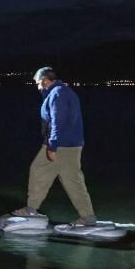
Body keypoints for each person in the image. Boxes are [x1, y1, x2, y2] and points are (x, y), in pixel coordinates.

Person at [11, 67, 96, 226]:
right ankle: (86, 216)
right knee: (49, 173)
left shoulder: (58, 94)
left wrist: (53, 146)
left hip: (61, 146)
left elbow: (58, 121)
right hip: (67, 145)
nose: (37, 87)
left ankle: (87, 217)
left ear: (44, 80)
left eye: (37, 83)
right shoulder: (60, 92)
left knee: (68, 179)